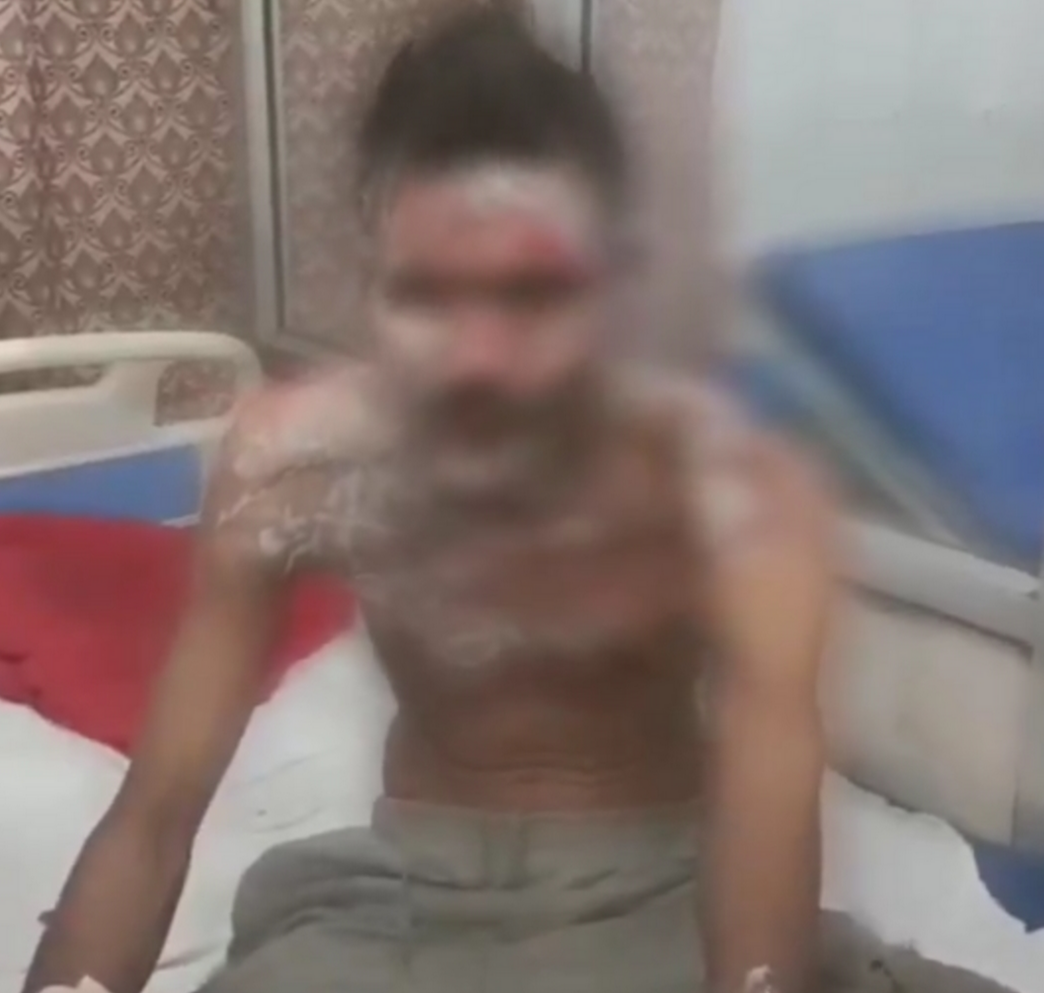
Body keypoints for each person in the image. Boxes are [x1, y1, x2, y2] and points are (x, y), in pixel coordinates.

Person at [23, 9, 1015, 993]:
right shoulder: (296, 469)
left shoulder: (726, 494)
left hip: (666, 899)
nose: (481, 360)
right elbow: (156, 814)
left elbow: (763, 847)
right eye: (427, 296)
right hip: (401, 907)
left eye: (532, 297)